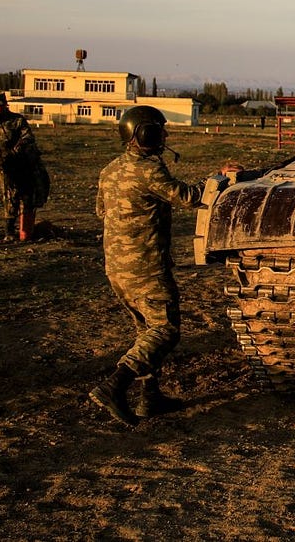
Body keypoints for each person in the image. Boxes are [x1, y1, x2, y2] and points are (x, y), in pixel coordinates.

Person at [89, 105, 212, 427]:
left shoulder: (109, 170)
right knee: (165, 330)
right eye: (161, 129)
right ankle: (115, 385)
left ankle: (149, 397)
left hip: (116, 267)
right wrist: (219, 179)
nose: (166, 135)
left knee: (145, 330)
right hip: (145, 267)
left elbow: (101, 211)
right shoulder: (149, 170)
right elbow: (189, 197)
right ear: (146, 133)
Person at [0, 92, 45, 242]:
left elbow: (28, 137)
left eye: (1, 105)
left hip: (8, 165)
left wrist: (16, 149)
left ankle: (9, 230)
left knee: (10, 197)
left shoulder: (16, 120)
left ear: (6, 105)